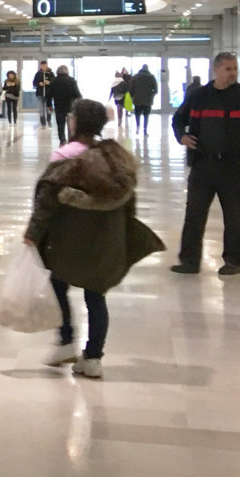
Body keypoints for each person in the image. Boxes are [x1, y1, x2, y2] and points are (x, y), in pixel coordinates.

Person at [26, 98, 150, 380]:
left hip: (68, 237)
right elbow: (128, 202)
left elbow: (47, 201)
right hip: (103, 239)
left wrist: (33, 233)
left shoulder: (65, 156)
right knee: (96, 296)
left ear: (76, 123)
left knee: (58, 284)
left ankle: (66, 340)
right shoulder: (114, 159)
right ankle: (93, 357)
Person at [170, 51, 240, 276]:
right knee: (194, 214)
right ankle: (189, 261)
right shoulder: (199, 96)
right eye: (228, 69)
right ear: (216, 69)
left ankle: (233, 261)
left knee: (235, 216)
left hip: (232, 166)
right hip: (203, 164)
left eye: (235, 69)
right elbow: (178, 119)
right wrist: (182, 136)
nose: (232, 73)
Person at [48, 64, 81, 143]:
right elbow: (77, 94)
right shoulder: (71, 80)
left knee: (60, 124)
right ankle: (71, 140)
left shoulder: (53, 81)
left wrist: (49, 105)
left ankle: (62, 140)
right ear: (67, 71)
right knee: (71, 124)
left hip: (59, 105)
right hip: (70, 106)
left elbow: (49, 95)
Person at [130, 64, 159, 138]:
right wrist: (151, 95)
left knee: (137, 114)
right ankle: (145, 130)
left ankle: (138, 126)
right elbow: (156, 90)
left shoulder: (135, 77)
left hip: (137, 100)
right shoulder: (151, 77)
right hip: (148, 100)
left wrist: (132, 96)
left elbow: (131, 89)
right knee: (146, 116)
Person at [32, 60, 54, 126]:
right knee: (41, 109)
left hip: (49, 94)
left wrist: (49, 82)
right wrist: (39, 84)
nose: (43, 67)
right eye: (42, 66)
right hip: (40, 94)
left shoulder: (51, 74)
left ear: (47, 66)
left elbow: (55, 82)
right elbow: (34, 83)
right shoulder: (38, 74)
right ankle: (43, 122)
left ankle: (49, 120)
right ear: (40, 66)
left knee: (48, 108)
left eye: (45, 66)